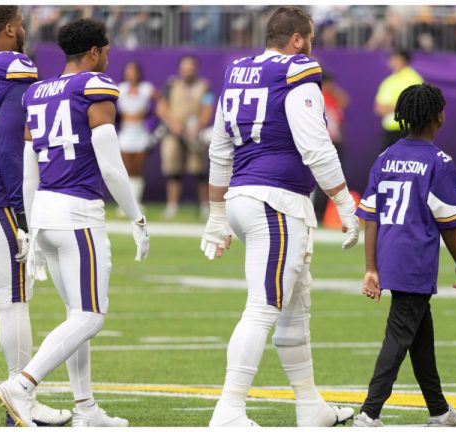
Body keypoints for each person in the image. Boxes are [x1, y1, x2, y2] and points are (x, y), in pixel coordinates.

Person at [200, 6, 359, 427]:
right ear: (297, 39)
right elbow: (315, 145)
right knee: (263, 305)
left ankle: (310, 405)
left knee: (293, 305)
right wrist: (344, 203)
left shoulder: (238, 71)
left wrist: (217, 214)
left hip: (243, 196)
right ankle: (229, 408)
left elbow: (219, 149)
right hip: (276, 201)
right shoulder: (297, 69)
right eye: (309, 38)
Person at [0, 18, 150, 427]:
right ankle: (22, 384)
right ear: (95, 52)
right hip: (78, 212)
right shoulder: (93, 87)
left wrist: (31, 225)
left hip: (44, 210)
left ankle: (85, 409)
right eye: (107, 49)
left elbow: (29, 170)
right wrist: (136, 216)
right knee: (91, 317)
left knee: (75, 314)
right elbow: (112, 166)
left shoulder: (36, 91)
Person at [352, 83, 456, 427]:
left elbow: (371, 217)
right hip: (416, 259)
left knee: (420, 337)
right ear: (439, 116)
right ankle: (369, 413)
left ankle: (439, 411)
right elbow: (448, 223)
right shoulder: (439, 161)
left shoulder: (384, 157)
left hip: (389, 255)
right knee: (399, 336)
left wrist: (371, 268)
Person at [0, 6, 73, 427]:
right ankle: (18, 395)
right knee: (13, 300)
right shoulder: (13, 67)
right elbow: (9, 147)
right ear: (9, 28)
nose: (24, 31)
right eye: (21, 25)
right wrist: (22, 213)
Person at [156, 55, 215, 220]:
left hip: (194, 133)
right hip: (174, 132)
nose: (188, 71)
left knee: (200, 170)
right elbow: (161, 108)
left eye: (191, 67)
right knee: (173, 169)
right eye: (185, 67)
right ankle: (172, 206)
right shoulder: (171, 84)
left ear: (196, 68)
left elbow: (207, 107)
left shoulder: (204, 86)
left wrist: (199, 126)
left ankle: (205, 206)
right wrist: (173, 123)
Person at [117, 61, 156, 208]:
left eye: (133, 71)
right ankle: (125, 204)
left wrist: (148, 116)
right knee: (125, 170)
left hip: (141, 134)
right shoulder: (120, 89)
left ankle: (136, 201)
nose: (131, 74)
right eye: (128, 71)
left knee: (138, 170)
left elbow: (160, 104)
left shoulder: (146, 88)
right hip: (125, 134)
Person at [312, 70, 349, 223]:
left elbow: (345, 101)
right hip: (322, 142)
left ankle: (321, 213)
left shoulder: (331, 96)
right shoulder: (316, 98)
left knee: (330, 179)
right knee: (321, 179)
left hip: (333, 141)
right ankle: (316, 212)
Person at [374, 49, 423, 149]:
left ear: (404, 60)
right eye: (391, 58)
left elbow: (413, 105)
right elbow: (378, 108)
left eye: (396, 58)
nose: (392, 61)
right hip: (389, 130)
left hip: (408, 130)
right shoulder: (388, 81)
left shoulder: (413, 78)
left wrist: (390, 108)